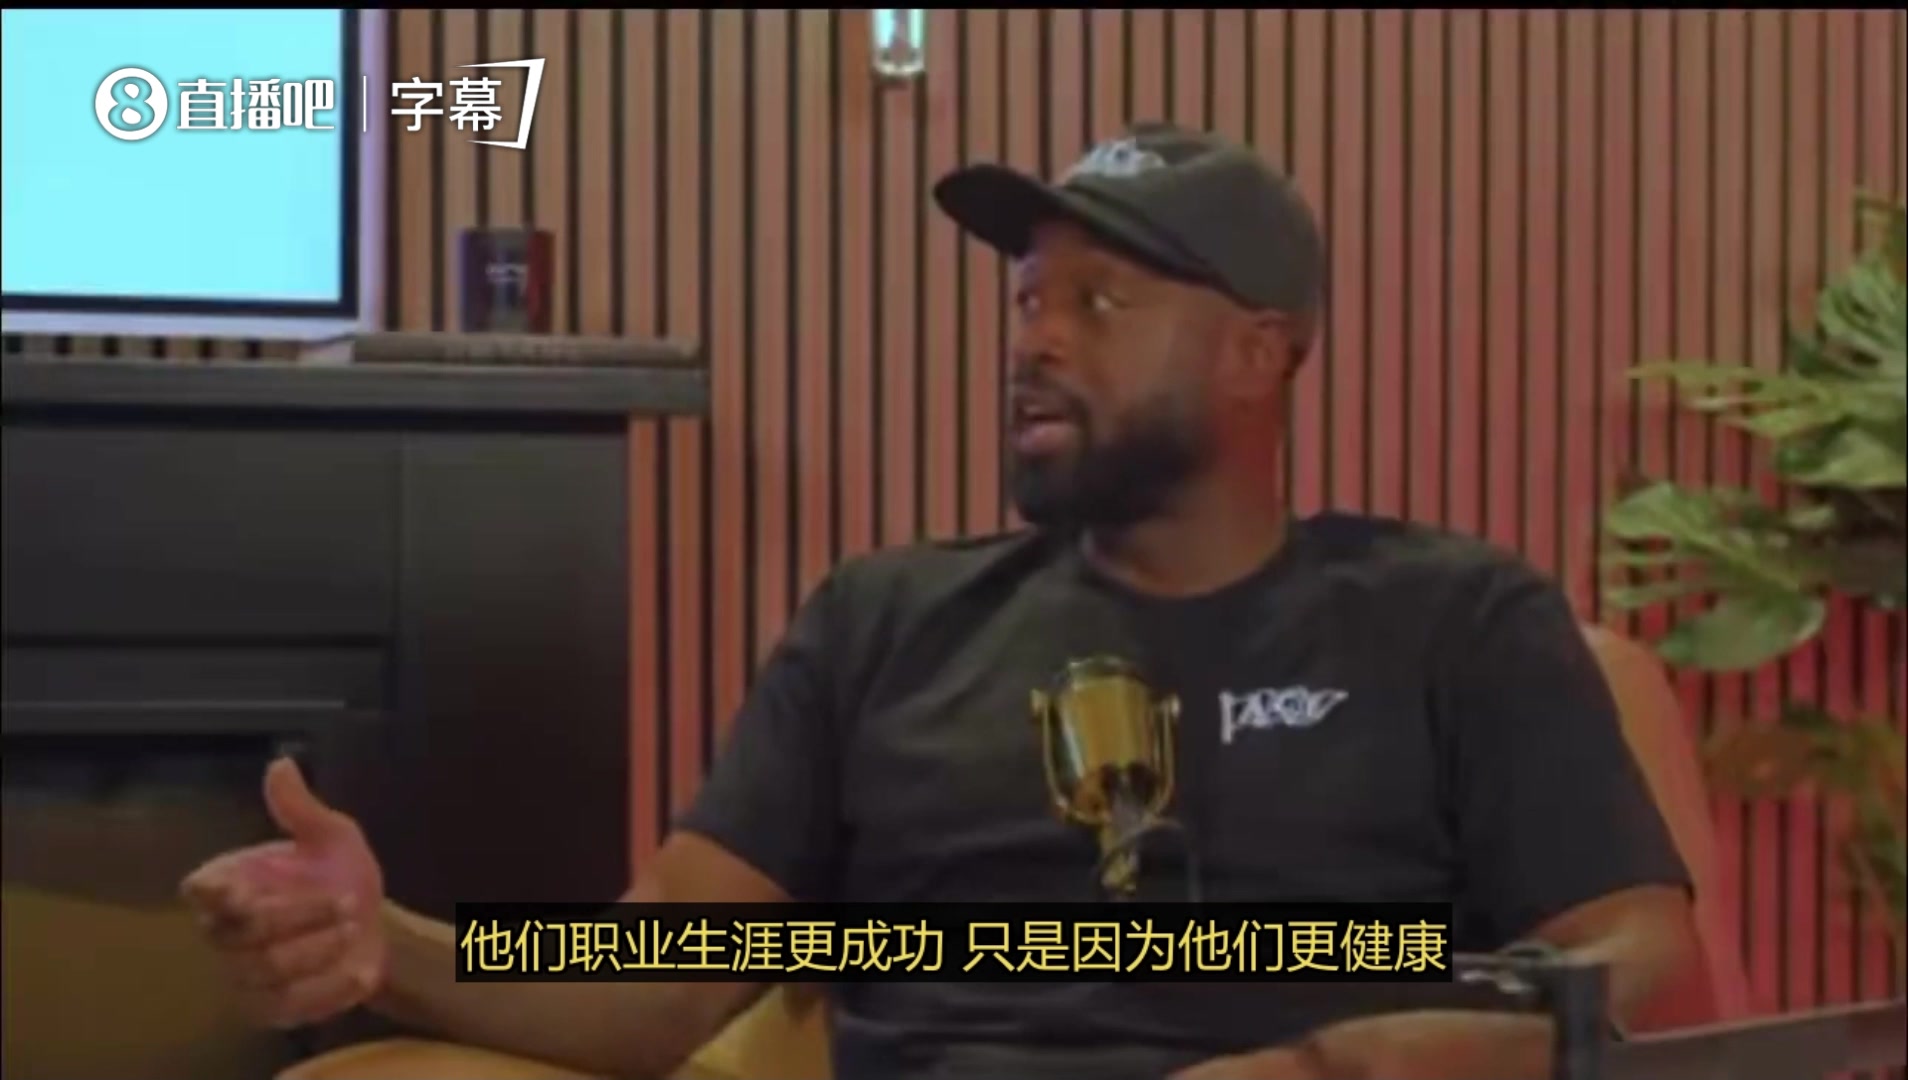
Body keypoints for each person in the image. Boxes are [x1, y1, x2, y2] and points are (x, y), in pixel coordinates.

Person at [181, 122, 1698, 1080]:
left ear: (1261, 351)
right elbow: (662, 981)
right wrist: (390, 940)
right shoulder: (886, 623)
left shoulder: (1448, 621)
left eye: (1099, 302)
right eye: (1028, 298)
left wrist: (1358, 1059)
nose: (1035, 340)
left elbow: (1635, 941)